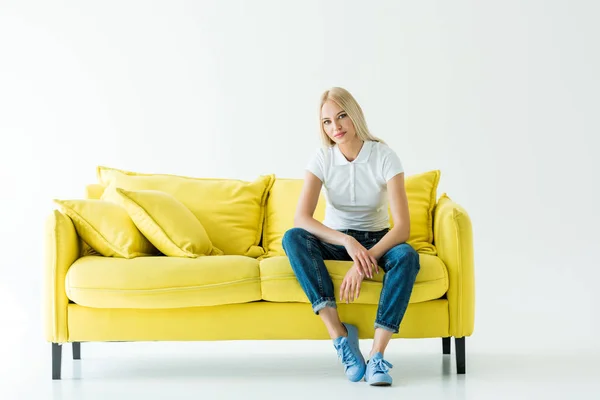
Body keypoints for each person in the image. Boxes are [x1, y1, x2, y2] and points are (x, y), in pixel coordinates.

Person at [282, 87, 420, 386]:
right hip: (336, 241)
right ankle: (340, 336)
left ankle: (377, 355)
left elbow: (402, 228)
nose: (336, 127)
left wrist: (364, 259)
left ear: (355, 114)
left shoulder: (384, 156)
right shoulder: (322, 157)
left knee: (407, 255)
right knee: (293, 237)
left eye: (342, 116)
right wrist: (346, 241)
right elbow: (301, 218)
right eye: (327, 122)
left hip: (378, 241)